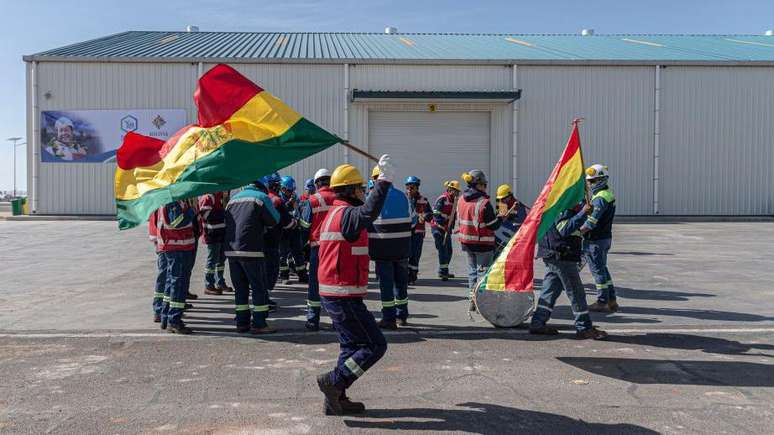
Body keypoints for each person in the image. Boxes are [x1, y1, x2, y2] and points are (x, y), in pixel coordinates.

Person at [316, 155, 393, 416]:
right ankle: (334, 382)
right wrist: (383, 182)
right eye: (361, 188)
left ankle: (335, 399)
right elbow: (369, 212)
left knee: (351, 348)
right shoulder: (348, 214)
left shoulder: (338, 212)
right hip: (341, 294)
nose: (364, 192)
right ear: (350, 191)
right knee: (374, 345)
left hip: (338, 292)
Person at [530, 203, 608, 340]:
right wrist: (583, 213)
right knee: (577, 293)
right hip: (562, 255)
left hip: (553, 253)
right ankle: (584, 327)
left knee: (549, 291)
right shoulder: (565, 206)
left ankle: (538, 322)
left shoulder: (556, 204)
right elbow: (564, 229)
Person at [224, 180, 280, 334]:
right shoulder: (261, 197)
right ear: (262, 187)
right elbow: (274, 219)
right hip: (252, 250)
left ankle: (242, 323)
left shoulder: (233, 200)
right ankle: (259, 323)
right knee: (258, 288)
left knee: (240, 289)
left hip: (232, 251)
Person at [369, 167, 413, 329]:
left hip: (382, 250)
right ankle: (402, 315)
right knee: (401, 283)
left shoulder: (373, 198)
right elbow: (413, 221)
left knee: (386, 285)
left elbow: (366, 222)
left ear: (376, 179)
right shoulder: (403, 197)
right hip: (402, 249)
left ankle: (389, 318)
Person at [458, 170, 504, 310]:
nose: (485, 187)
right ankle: (481, 304)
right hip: (482, 244)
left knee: (472, 273)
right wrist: (501, 217)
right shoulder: (484, 203)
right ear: (477, 185)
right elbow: (493, 225)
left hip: (467, 243)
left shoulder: (461, 199)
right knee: (483, 275)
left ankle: (472, 301)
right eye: (484, 184)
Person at [299, 168, 336, 331]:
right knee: (335, 285)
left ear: (316, 183)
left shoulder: (313, 200)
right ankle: (337, 319)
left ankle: (313, 319)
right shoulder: (339, 198)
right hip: (337, 248)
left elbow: (305, 225)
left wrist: (302, 245)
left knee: (315, 283)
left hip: (318, 248)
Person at [580, 164, 618, 313]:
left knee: (598, 271)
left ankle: (602, 301)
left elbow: (591, 222)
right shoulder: (607, 194)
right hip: (605, 237)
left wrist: (576, 231)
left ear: (601, 180)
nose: (589, 184)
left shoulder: (600, 198)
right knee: (603, 269)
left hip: (595, 240)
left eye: (592, 181)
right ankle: (612, 300)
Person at [156, 199, 197, 334]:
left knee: (171, 284)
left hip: (177, 247)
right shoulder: (172, 202)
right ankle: (174, 321)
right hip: (178, 248)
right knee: (178, 285)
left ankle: (166, 317)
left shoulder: (173, 201)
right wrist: (192, 211)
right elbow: (176, 222)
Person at [263, 172, 295, 309]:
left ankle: (262, 298)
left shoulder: (262, 198)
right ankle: (264, 299)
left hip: (258, 242)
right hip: (272, 242)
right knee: (271, 271)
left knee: (260, 271)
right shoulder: (276, 200)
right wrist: (295, 222)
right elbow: (287, 223)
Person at [199, 191, 232, 295]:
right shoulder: (208, 197)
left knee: (221, 260)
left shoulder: (220, 196)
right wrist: (223, 212)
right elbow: (205, 215)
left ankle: (220, 282)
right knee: (212, 260)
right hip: (212, 234)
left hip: (221, 233)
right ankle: (209, 285)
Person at [279, 175, 308, 284]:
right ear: (283, 189)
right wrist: (289, 203)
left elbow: (298, 211)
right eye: (290, 190)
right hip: (284, 231)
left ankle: (303, 275)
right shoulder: (280, 199)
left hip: (295, 230)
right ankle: (284, 276)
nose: (292, 192)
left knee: (298, 252)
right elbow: (280, 212)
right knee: (283, 255)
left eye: (293, 190)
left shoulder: (295, 197)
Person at [431, 180, 460, 281]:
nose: (456, 193)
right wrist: (443, 225)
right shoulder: (442, 199)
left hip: (446, 229)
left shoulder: (454, 201)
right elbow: (436, 214)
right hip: (437, 228)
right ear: (449, 189)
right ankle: (443, 272)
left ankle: (443, 270)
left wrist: (450, 227)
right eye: (454, 191)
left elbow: (453, 216)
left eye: (457, 191)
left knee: (449, 251)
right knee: (443, 249)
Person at [405, 176, 432, 285]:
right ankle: (404, 275)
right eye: (408, 187)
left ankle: (412, 276)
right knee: (405, 255)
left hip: (418, 233)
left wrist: (424, 216)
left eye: (412, 187)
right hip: (405, 232)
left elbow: (430, 214)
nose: (409, 190)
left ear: (417, 188)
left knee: (415, 255)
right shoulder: (403, 199)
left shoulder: (423, 200)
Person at [494, 184, 528, 256]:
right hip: (499, 239)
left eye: (503, 198)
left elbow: (522, 224)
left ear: (510, 196)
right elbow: (502, 219)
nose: (502, 200)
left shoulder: (519, 207)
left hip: (512, 240)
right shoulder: (501, 203)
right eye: (500, 199)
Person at [148, 207, 166, 324]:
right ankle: (158, 309)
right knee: (163, 276)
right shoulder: (160, 199)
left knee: (166, 276)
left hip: (163, 241)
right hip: (164, 242)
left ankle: (162, 308)